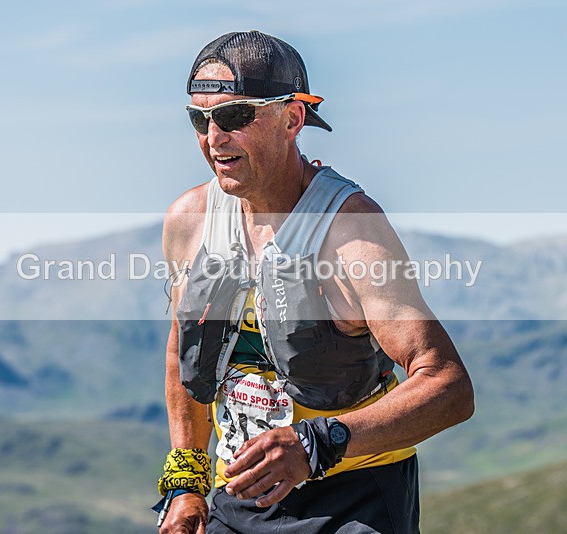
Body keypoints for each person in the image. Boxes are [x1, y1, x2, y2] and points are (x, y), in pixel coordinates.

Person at [156, 30, 474, 534]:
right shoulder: (190, 219)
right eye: (200, 118)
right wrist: (185, 483)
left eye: (235, 116)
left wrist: (316, 443)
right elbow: (185, 351)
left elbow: (448, 385)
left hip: (351, 504)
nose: (213, 138)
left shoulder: (350, 230)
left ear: (292, 118)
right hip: (236, 497)